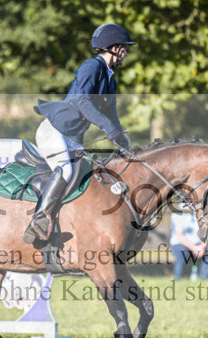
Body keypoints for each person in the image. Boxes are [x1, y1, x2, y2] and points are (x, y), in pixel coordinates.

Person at [23, 23, 135, 244]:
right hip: (54, 130)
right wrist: (108, 128)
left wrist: (123, 141)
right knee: (64, 170)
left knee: (88, 174)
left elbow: (111, 114)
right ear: (112, 47)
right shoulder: (91, 66)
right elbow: (81, 100)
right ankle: (38, 220)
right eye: (123, 47)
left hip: (72, 136)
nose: (125, 52)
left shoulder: (109, 78)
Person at [170, 207, 208, 280]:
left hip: (201, 244)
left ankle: (203, 278)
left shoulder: (206, 210)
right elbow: (180, 235)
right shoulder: (178, 211)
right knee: (180, 252)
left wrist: (202, 247)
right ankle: (178, 278)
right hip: (182, 243)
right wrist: (194, 248)